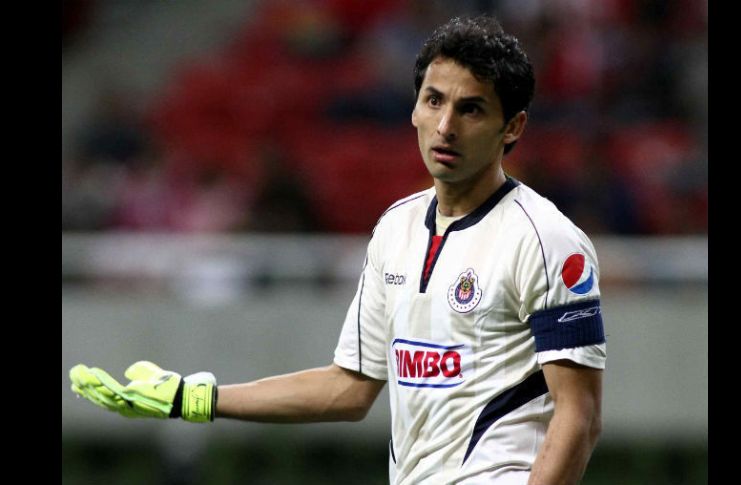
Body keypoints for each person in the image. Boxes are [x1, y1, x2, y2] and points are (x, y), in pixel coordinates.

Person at [70, 16, 606, 485]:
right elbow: (349, 387)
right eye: (434, 101)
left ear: (512, 127)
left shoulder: (547, 240)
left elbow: (578, 416)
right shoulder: (396, 229)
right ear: (414, 108)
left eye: (471, 110)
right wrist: (199, 399)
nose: (445, 126)